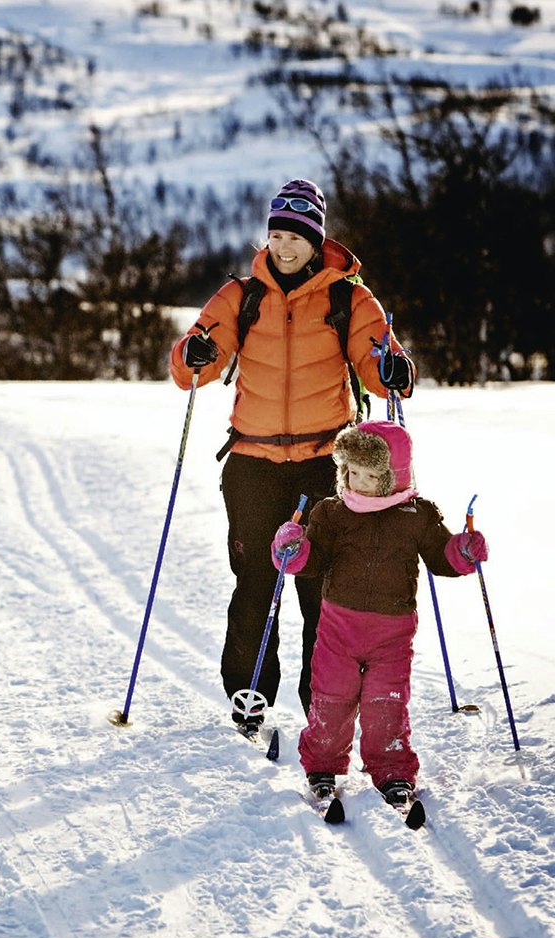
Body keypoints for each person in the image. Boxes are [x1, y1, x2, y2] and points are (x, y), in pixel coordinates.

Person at [169, 178, 416, 735]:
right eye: (276, 234)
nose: (284, 247)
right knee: (255, 577)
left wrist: (394, 371)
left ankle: (322, 700)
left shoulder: (348, 297)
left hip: (325, 464)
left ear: (316, 239)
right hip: (252, 463)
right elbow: (189, 364)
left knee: (321, 585)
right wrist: (195, 354)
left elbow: (381, 363)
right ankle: (249, 692)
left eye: (296, 237)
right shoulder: (241, 295)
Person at [271, 421, 488, 804]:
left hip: (393, 634)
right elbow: (313, 560)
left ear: (393, 477)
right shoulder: (332, 513)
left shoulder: (416, 515)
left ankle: (392, 770)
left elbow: (442, 556)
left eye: (370, 475)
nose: (357, 483)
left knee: (385, 703)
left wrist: (463, 551)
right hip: (339, 628)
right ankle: (322, 764)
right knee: (331, 699)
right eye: (351, 472)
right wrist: (293, 550)